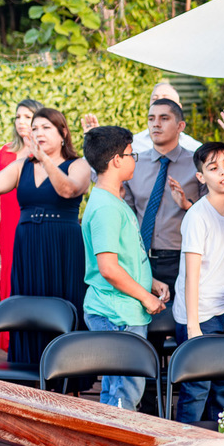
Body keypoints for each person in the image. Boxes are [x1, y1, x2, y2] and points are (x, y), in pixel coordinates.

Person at [0, 108, 90, 365]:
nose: (38, 132)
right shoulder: (22, 165)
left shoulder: (79, 164)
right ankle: (29, 367)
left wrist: (45, 159)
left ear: (63, 132)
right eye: (35, 128)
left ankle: (67, 373)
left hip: (62, 245)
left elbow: (68, 189)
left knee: (63, 302)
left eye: (46, 128)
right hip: (28, 245)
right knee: (29, 304)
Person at [81, 126, 170, 409]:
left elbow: (126, 256)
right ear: (116, 161)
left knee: (117, 388)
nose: (135, 160)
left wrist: (150, 281)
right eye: (132, 154)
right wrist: (146, 297)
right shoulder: (106, 207)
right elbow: (108, 268)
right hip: (117, 312)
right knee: (125, 393)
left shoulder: (112, 200)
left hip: (122, 308)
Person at [172, 141, 224, 421]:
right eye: (213, 168)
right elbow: (191, 276)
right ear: (201, 177)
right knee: (196, 389)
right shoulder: (197, 216)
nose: (223, 172)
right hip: (199, 316)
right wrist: (194, 327)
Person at [121, 98, 205, 296]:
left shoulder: (198, 164)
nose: (156, 124)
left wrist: (187, 205)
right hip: (142, 260)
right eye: (151, 119)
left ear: (180, 126)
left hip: (186, 258)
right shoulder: (133, 165)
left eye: (164, 118)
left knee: (184, 323)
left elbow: (213, 213)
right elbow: (126, 216)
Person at [0, 97, 41, 350]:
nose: (21, 122)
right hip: (9, 227)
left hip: (34, 224)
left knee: (33, 280)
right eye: (18, 116)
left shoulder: (44, 153)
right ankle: (11, 341)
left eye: (28, 116)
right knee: (10, 281)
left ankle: (34, 340)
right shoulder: (6, 151)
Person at [131, 82, 202, 154]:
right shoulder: (134, 144)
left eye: (166, 98)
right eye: (155, 99)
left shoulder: (194, 149)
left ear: (179, 107)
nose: (159, 102)